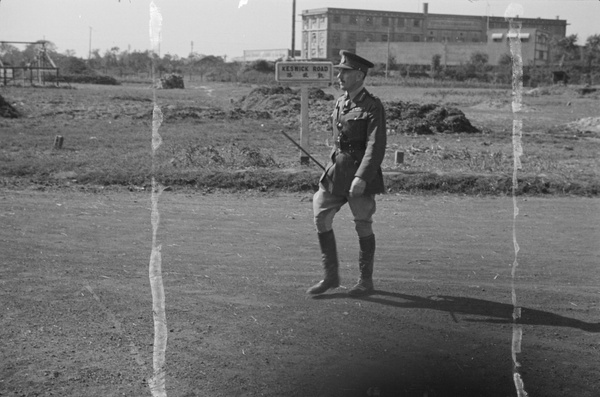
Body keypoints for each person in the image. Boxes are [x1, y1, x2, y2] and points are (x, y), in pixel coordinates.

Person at [307, 50, 387, 296]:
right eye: (339, 70)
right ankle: (330, 277)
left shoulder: (373, 106)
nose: (339, 75)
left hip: (360, 174)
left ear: (359, 75)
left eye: (345, 71)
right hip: (337, 172)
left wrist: (362, 177)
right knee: (320, 214)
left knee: (362, 223)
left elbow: (376, 145)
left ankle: (365, 282)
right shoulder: (341, 102)